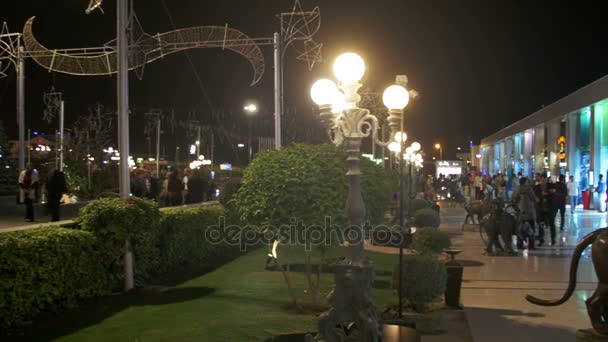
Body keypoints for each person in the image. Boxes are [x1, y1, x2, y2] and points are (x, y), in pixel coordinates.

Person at [512, 177, 538, 250]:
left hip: (520, 211)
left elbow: (513, 198)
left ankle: (519, 244)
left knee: (520, 228)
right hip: (529, 212)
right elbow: (534, 199)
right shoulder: (529, 189)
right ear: (525, 182)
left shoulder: (517, 189)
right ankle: (531, 245)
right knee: (531, 228)